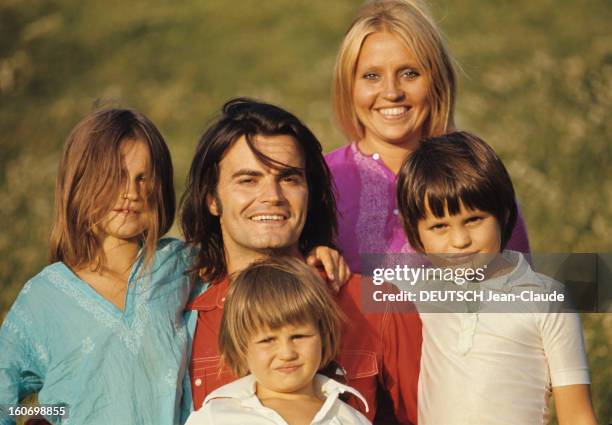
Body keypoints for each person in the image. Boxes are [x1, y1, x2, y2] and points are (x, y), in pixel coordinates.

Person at [180, 98, 422, 424]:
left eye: (289, 178)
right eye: (248, 180)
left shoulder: (379, 304)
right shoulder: (182, 312)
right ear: (212, 199)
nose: (272, 196)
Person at [0, 109, 191, 424]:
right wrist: (52, 412)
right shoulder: (44, 298)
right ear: (80, 181)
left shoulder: (180, 265)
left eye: (143, 178)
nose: (131, 192)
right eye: (115, 176)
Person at [395, 131, 597, 425]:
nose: (460, 240)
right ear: (416, 235)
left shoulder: (546, 300)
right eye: (439, 227)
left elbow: (577, 415)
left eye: (473, 219)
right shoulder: (416, 289)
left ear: (503, 213)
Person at [326, 0, 530, 272]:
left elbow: (522, 295)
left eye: (410, 73)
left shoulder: (476, 173)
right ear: (348, 86)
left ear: (436, 79)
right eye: (371, 76)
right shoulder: (318, 181)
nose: (392, 92)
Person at [185, 258, 371, 425]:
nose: (287, 353)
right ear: (240, 347)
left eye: (299, 336)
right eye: (267, 340)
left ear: (323, 336)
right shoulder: (215, 417)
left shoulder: (352, 419)